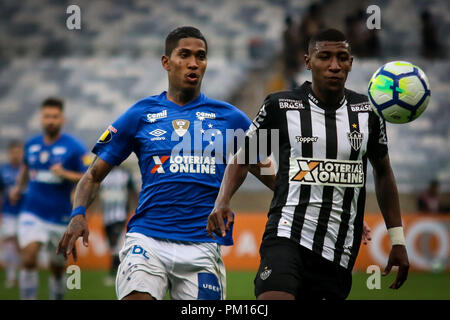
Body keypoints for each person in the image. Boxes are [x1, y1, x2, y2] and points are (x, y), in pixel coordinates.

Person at [57, 26, 273, 300]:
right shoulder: (140, 114)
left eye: (201, 56)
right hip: (147, 241)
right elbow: (93, 175)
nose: (194, 63)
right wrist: (78, 213)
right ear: (166, 62)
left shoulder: (233, 119)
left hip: (203, 246)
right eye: (184, 55)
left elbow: (274, 176)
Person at [207, 28, 409, 300]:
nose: (334, 65)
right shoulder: (281, 106)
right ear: (308, 61)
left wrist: (397, 239)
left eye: (342, 57)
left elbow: (383, 172)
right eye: (324, 57)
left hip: (338, 248)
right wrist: (222, 201)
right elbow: (245, 158)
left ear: (351, 63)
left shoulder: (369, 112)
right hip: (285, 234)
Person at [9, 97, 88, 300]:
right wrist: (18, 187)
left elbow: (89, 177)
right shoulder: (32, 144)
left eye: (54, 116)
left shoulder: (75, 147)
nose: (50, 120)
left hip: (60, 216)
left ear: (62, 119)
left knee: (57, 269)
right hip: (32, 211)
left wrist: (65, 173)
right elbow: (26, 167)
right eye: (47, 116)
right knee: (29, 257)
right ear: (41, 118)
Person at [98, 165, 137, 286]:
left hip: (120, 215)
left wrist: (136, 209)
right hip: (106, 216)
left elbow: (133, 192)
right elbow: (97, 191)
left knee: (115, 244)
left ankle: (113, 273)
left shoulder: (124, 174)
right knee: (112, 246)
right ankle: (121, 271)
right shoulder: (104, 174)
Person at [0, 140, 24, 288]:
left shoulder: (26, 170)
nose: (15, 155)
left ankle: (22, 275)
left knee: (21, 246)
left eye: (18, 152)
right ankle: (11, 276)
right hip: (8, 213)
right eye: (13, 152)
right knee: (10, 244)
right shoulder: (3, 170)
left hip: (25, 213)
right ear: (9, 154)